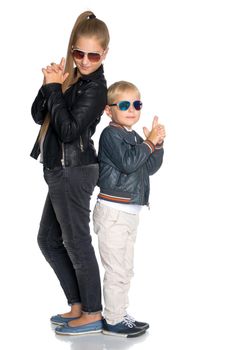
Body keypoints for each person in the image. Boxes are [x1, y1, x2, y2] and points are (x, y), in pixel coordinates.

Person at [30, 11, 110, 336]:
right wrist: (48, 85)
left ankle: (92, 312)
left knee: (76, 242)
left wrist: (54, 92)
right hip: (58, 169)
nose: (86, 60)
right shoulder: (71, 78)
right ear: (73, 50)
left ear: (104, 54)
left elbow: (68, 131)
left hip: (74, 170)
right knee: (49, 240)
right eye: (80, 53)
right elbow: (39, 116)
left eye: (94, 55)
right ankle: (77, 305)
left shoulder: (95, 88)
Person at [93, 81, 166, 337]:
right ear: (108, 110)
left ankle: (119, 313)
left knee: (125, 268)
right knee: (117, 269)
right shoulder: (111, 134)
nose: (132, 109)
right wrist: (148, 143)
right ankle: (113, 320)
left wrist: (156, 145)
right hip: (114, 213)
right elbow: (127, 163)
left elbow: (147, 168)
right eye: (124, 105)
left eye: (137, 104)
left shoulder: (133, 135)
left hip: (128, 214)